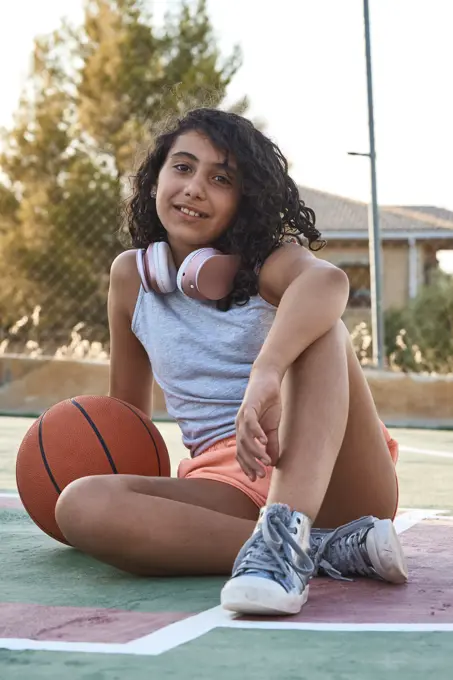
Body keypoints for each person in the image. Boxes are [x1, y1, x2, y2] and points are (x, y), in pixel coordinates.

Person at [55, 108, 407, 617]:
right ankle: (320, 550)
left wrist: (268, 372)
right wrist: (122, 516)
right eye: (182, 168)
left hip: (335, 477)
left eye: (221, 178)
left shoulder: (271, 262)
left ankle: (289, 530)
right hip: (227, 483)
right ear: (155, 179)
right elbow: (126, 425)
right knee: (80, 504)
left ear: (244, 201)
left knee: (321, 328)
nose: (195, 187)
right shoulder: (133, 278)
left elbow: (328, 282)